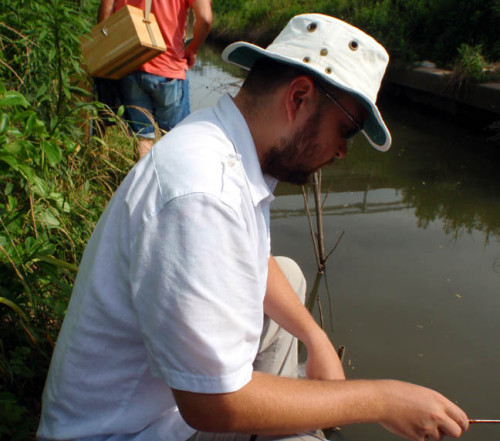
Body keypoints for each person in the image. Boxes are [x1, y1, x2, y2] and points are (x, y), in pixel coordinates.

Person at [37, 13, 470, 441]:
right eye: (348, 129)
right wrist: (381, 400)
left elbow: (253, 259)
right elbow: (211, 405)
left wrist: (315, 338)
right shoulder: (204, 193)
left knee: (290, 274)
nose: (342, 151)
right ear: (299, 97)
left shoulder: (226, 143)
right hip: (134, 430)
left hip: (166, 407)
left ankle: (287, 419)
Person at [97, 0, 213, 158]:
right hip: (168, 68)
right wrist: (193, 49)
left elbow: (105, 16)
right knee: (176, 140)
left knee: (143, 139)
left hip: (132, 64)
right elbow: (205, 19)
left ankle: (144, 179)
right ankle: (170, 180)